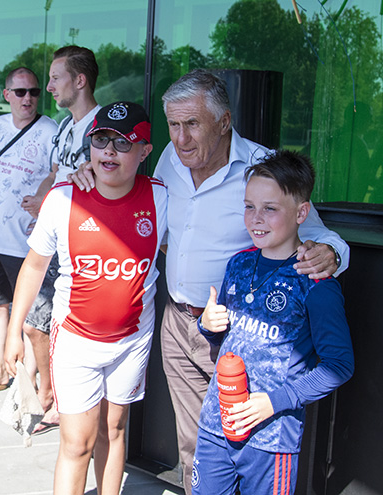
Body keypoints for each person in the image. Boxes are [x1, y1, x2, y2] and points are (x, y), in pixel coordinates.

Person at [70, 68, 349, 494]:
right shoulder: (169, 158)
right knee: (197, 445)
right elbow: (131, 193)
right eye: (173, 125)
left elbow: (316, 233)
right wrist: (87, 173)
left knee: (251, 442)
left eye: (192, 124)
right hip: (179, 322)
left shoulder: (262, 167)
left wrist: (332, 253)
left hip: (241, 333)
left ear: (223, 122)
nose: (181, 138)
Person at [4, 102, 167, 495]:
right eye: (100, 140)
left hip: (131, 341)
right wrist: (14, 331)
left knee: (114, 429)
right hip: (75, 341)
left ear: (145, 151)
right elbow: (33, 267)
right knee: (77, 443)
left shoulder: (162, 198)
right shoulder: (63, 198)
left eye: (123, 143)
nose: (109, 150)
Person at [193, 150, 354, 494]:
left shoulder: (316, 283)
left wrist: (275, 401)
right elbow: (225, 339)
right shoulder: (238, 264)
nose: (256, 218)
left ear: (301, 213)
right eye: (249, 206)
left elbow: (340, 365)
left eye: (270, 208)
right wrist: (208, 325)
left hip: (271, 439)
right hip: (215, 425)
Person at [20, 45, 102, 431]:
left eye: (55, 78)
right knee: (38, 324)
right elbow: (55, 175)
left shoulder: (104, 128)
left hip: (85, 242)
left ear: (80, 80)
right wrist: (41, 203)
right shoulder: (66, 126)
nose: (49, 86)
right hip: (56, 238)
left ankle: (54, 397)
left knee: (45, 325)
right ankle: (51, 395)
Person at [0, 67, 57, 399]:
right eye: (20, 92)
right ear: (7, 95)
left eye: (34, 92)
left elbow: (59, 174)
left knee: (30, 319)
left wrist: (43, 203)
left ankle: (26, 382)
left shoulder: (50, 131)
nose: (28, 98)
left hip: (26, 242)